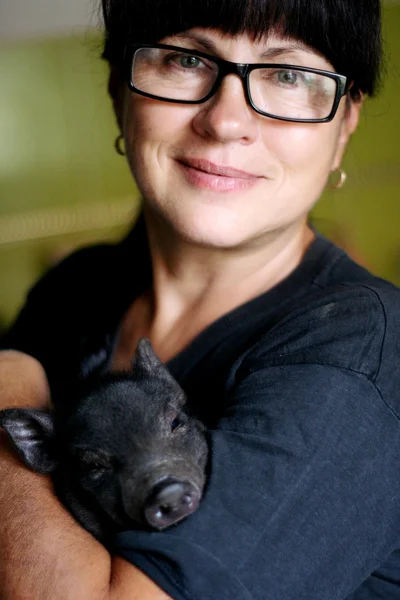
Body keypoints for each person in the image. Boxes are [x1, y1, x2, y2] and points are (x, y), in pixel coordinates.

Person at [0, 0, 399, 598]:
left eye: (288, 74)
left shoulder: (360, 354)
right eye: (186, 59)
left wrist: (8, 383)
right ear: (119, 92)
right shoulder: (76, 290)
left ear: (343, 127)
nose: (226, 122)